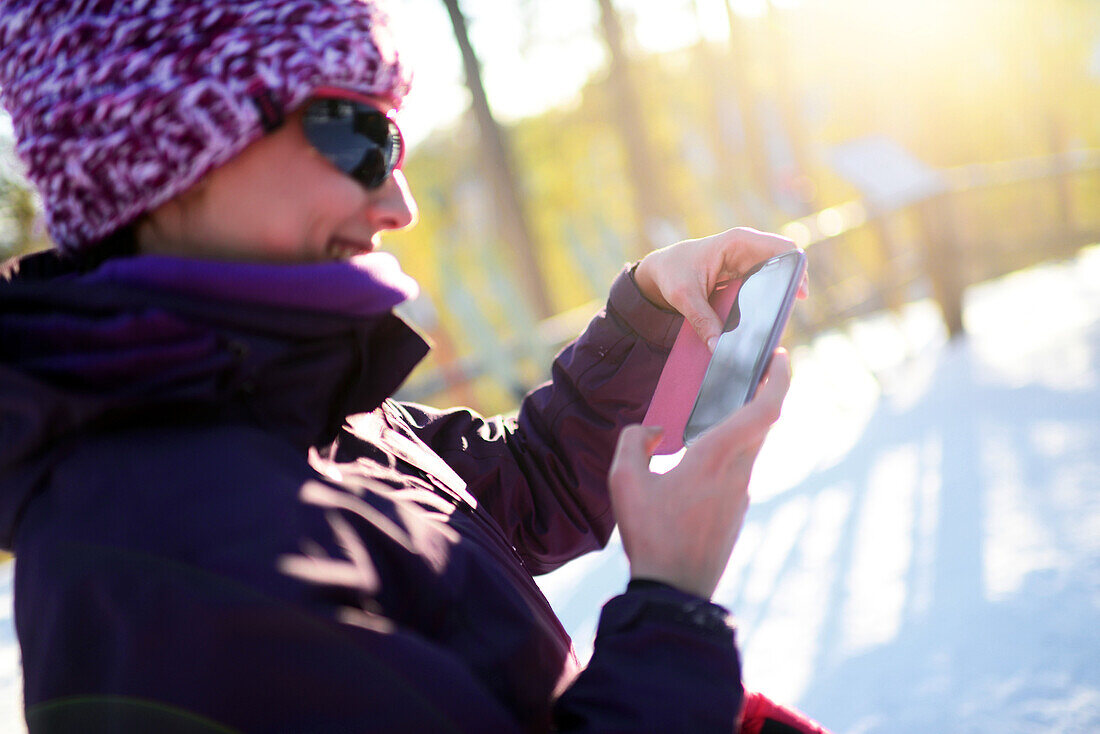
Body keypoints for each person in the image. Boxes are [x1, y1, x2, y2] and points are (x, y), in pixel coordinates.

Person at [0, 1, 829, 732]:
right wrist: (670, 610)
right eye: (352, 134)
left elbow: (513, 494)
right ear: (158, 147)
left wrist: (647, 318)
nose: (401, 205)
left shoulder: (274, 389)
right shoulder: (161, 567)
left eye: (392, 137)